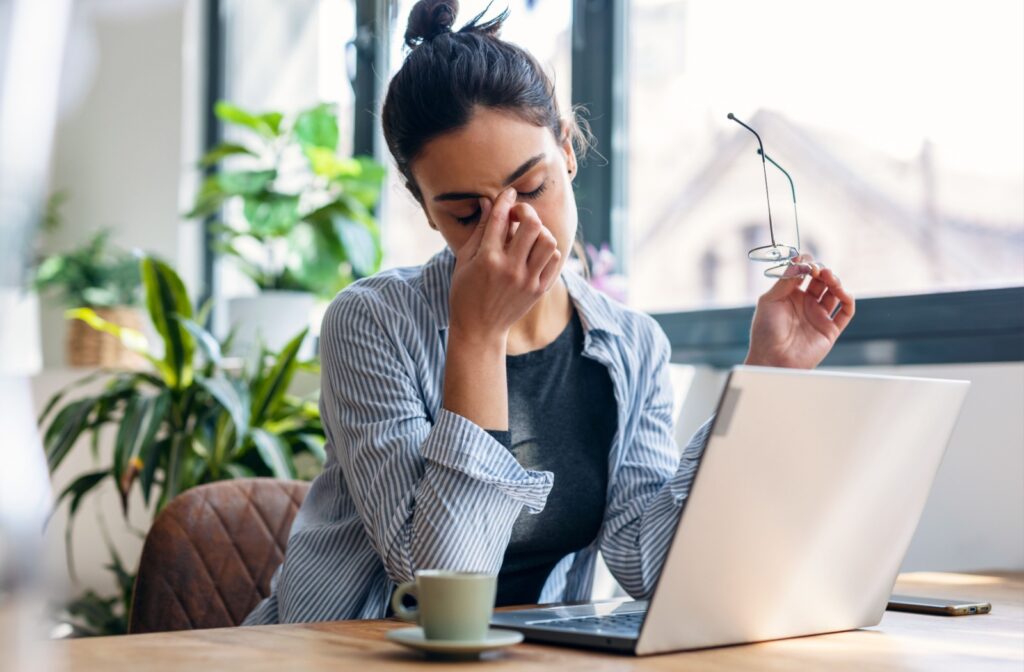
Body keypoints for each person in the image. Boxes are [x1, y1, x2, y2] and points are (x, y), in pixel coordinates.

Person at [243, 0, 854, 625]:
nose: (515, 226)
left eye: (532, 188)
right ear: (425, 208)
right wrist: (477, 338)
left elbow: (649, 562)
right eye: (466, 213)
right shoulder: (372, 324)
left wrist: (765, 374)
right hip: (342, 653)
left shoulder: (632, 346)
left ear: (566, 149)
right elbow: (441, 590)